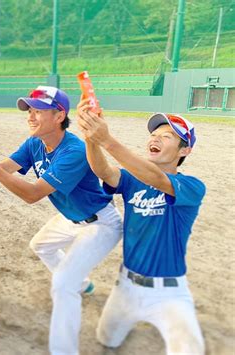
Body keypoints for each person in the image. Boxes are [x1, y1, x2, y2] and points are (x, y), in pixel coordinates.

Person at [0, 86, 122, 354]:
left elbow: (32, 194)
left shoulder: (74, 151)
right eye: (30, 111)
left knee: (62, 285)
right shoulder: (34, 143)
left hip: (100, 223)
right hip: (72, 217)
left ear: (59, 116)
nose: (30, 117)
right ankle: (83, 284)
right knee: (41, 245)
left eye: (38, 111)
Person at [76, 103, 205, 354]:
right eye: (154, 135)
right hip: (126, 287)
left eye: (167, 136)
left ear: (185, 149)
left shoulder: (192, 186)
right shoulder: (132, 178)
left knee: (190, 350)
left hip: (169, 295)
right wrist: (91, 138)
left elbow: (157, 179)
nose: (155, 138)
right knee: (106, 340)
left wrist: (108, 140)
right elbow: (102, 170)